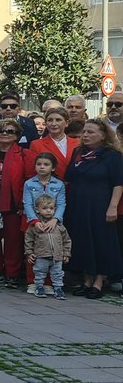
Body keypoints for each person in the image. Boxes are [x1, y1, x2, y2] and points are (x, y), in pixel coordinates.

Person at [64, 119, 123, 299]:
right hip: (78, 204)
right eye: (85, 132)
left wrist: (113, 206)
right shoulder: (78, 152)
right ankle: (87, 280)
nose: (86, 135)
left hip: (100, 204)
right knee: (82, 241)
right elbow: (69, 177)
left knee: (101, 243)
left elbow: (118, 183)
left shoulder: (112, 155)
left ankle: (98, 282)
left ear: (103, 135)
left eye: (91, 132)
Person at [0, 117, 27, 287]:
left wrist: (23, 203)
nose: (4, 134)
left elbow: (27, 178)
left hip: (14, 203)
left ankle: (12, 273)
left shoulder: (24, 154)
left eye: (10, 131)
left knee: (13, 240)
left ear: (17, 135)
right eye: (1, 131)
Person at [25, 194, 70, 299]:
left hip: (57, 256)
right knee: (39, 272)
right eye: (45, 208)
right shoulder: (34, 227)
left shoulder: (59, 226)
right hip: (41, 255)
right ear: (37, 210)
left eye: (51, 208)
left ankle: (58, 288)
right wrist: (29, 252)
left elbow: (66, 240)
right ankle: (39, 287)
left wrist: (66, 253)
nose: (48, 211)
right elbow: (29, 240)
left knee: (58, 274)